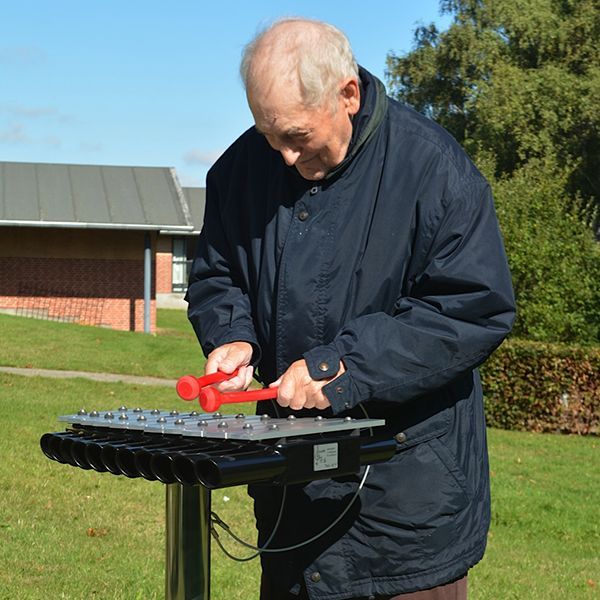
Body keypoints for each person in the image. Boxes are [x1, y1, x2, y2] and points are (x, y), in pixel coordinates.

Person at [186, 17, 515, 600]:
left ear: (348, 94)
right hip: (291, 505)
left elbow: (470, 309)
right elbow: (217, 274)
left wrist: (347, 369)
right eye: (268, 135)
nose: (283, 157)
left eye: (296, 136)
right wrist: (233, 337)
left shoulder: (434, 168)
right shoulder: (239, 169)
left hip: (405, 511)